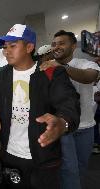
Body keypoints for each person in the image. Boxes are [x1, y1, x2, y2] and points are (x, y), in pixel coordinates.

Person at [0, 24, 80, 189]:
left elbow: (70, 105)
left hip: (43, 157)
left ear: (29, 47)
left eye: (13, 46)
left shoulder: (51, 73)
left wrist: (62, 124)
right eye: (5, 47)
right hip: (9, 155)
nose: (6, 51)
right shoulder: (1, 76)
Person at [40, 30, 100, 189]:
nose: (56, 47)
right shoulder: (47, 66)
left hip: (86, 126)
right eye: (53, 44)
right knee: (69, 169)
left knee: (81, 166)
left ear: (73, 46)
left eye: (61, 43)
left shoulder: (86, 64)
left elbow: (89, 77)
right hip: (64, 126)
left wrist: (60, 67)